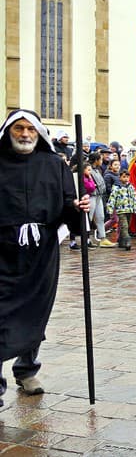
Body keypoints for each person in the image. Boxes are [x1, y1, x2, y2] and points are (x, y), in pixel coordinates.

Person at [0, 110, 89, 407]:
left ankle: (26, 370)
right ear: (8, 131)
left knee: (36, 311)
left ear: (39, 134)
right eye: (19, 129)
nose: (25, 135)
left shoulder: (54, 164)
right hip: (2, 251)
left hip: (41, 253)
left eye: (30, 130)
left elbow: (66, 206)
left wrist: (78, 208)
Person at [106, 170, 136, 251]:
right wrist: (110, 208)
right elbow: (112, 198)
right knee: (124, 226)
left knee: (125, 226)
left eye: (127, 177)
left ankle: (121, 241)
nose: (126, 179)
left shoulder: (131, 187)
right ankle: (127, 241)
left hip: (130, 209)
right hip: (121, 210)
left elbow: (134, 198)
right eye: (124, 177)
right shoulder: (116, 187)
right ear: (120, 177)